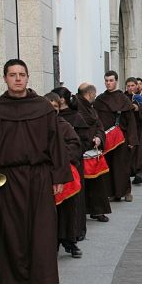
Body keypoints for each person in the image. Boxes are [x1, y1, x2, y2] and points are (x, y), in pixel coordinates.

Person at [0, 59, 71, 284]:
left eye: (21, 74)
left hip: (39, 175)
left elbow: (55, 143)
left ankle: (45, 281)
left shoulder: (43, 107)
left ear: (28, 78)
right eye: (12, 74)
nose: (17, 79)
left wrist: (58, 176)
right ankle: (9, 282)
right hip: (7, 177)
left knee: (43, 230)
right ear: (4, 78)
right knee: (11, 230)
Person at [44, 92, 83, 258]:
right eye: (49, 107)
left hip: (64, 174)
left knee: (68, 211)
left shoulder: (64, 125)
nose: (53, 111)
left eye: (55, 107)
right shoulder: (37, 126)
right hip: (46, 176)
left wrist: (59, 155)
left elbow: (75, 144)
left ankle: (70, 241)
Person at [51, 86, 89, 245]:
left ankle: (73, 234)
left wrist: (65, 155)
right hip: (53, 170)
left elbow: (82, 142)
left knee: (72, 203)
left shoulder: (75, 119)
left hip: (73, 165)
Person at [94, 70, 138, 202]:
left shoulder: (123, 99)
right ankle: (111, 192)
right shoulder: (100, 100)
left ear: (116, 81)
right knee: (108, 166)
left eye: (111, 80)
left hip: (120, 138)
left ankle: (125, 191)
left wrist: (132, 139)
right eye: (106, 81)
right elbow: (95, 119)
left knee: (122, 166)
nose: (108, 83)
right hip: (105, 138)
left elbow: (131, 121)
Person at [75, 83, 112, 223]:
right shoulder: (77, 108)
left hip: (93, 151)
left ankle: (97, 211)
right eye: (94, 95)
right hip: (81, 152)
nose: (95, 98)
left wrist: (99, 137)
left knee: (97, 184)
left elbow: (98, 125)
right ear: (90, 94)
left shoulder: (90, 108)